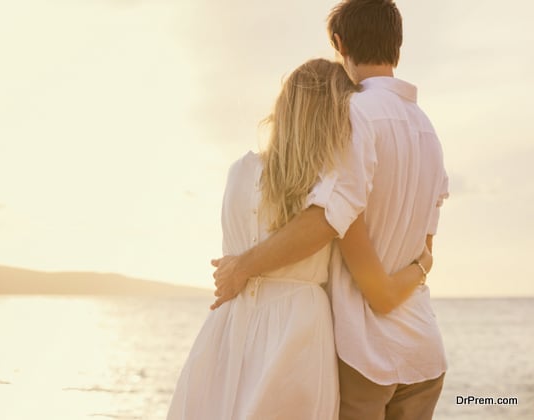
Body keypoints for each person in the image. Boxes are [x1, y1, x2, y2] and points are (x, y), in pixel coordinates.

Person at [211, 1, 449, 419]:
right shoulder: (428, 130)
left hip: (367, 355)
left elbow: (327, 218)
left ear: (339, 43)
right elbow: (425, 246)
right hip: (423, 351)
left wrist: (242, 267)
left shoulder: (352, 116)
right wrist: (419, 270)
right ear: (398, 44)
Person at [167, 59, 432, 420]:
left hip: (231, 323)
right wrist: (421, 265)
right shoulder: (327, 187)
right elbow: (341, 245)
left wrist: (243, 268)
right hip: (298, 326)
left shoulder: (240, 170)